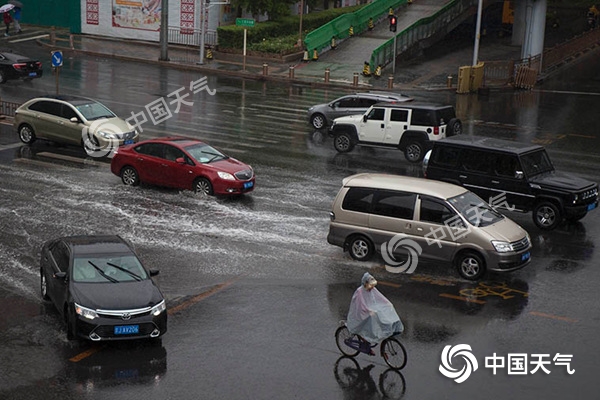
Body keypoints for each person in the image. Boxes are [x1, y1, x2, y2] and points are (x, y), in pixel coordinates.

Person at [346, 272, 404, 346]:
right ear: (365, 283)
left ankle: (392, 327)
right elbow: (361, 304)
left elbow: (380, 297)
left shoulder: (372, 289)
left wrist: (387, 304)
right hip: (362, 312)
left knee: (387, 309)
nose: (372, 287)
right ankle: (370, 336)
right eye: (371, 285)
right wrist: (368, 311)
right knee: (373, 316)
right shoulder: (359, 291)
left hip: (371, 307)